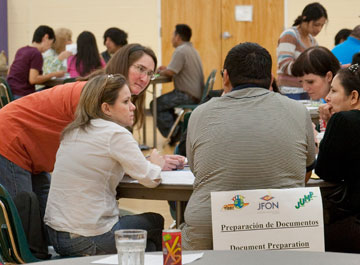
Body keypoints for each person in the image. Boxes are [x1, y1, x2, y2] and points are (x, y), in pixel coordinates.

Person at [0, 43, 185, 220]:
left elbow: (108, 155)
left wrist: (147, 163)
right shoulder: (95, 96)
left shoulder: (104, 95)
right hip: (10, 137)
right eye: (140, 69)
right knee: (24, 221)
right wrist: (150, 166)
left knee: (42, 223)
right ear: (123, 65)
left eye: (150, 74)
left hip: (33, 153)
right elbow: (106, 155)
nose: (145, 78)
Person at [181, 42, 316, 250]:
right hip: (285, 227)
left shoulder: (200, 114)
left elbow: (197, 170)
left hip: (209, 230)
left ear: (225, 77)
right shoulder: (298, 111)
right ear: (271, 79)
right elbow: (307, 169)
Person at [45, 74, 165, 256]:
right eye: (126, 102)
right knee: (155, 222)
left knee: (143, 246)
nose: (133, 107)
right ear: (106, 108)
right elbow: (151, 178)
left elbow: (96, 166)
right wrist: (157, 163)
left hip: (57, 237)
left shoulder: (73, 131)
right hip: (87, 238)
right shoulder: (115, 133)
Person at [315, 64, 360, 253]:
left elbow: (326, 171)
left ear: (354, 97)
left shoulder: (345, 120)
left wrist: (327, 125)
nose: (327, 97)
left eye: (333, 91)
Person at [151, 24, 204, 144]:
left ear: (178, 37)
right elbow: (174, 69)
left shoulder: (180, 50)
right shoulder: (191, 50)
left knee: (155, 104)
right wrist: (167, 69)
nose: (171, 38)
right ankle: (177, 131)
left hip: (186, 94)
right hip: (195, 93)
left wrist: (160, 71)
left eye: (172, 35)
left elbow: (170, 72)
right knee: (163, 103)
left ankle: (176, 133)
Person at [277, 2, 327, 100]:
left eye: (322, 25)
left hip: (307, 90)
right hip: (290, 90)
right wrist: (309, 70)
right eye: (316, 24)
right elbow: (284, 64)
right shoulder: (290, 35)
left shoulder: (313, 41)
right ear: (304, 19)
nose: (319, 29)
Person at [6, 25, 65, 98]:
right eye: (51, 43)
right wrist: (53, 74)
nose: (49, 47)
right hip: (22, 95)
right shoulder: (36, 53)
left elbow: (9, 71)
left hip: (10, 93)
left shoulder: (21, 50)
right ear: (46, 38)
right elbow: (33, 79)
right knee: (54, 93)